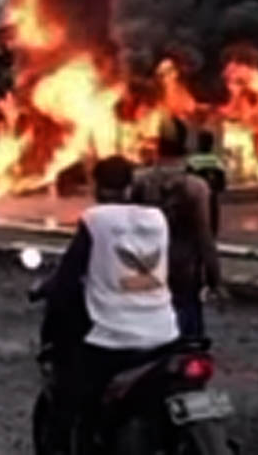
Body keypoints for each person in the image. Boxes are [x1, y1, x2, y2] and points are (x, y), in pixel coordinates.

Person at [43, 155, 180, 453]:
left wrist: (51, 293)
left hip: (113, 341)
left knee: (70, 398)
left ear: (96, 186)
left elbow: (68, 278)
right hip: (165, 335)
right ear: (131, 186)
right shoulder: (158, 220)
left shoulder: (96, 220)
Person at [133, 118, 221, 338]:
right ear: (186, 146)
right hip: (184, 270)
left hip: (146, 266)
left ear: (158, 145)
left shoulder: (140, 181)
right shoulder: (195, 187)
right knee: (188, 329)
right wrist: (214, 277)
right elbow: (205, 236)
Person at [186, 130, 227, 237]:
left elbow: (186, 180)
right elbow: (222, 182)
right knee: (212, 221)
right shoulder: (216, 161)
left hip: (195, 197)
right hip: (211, 196)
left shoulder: (193, 161)